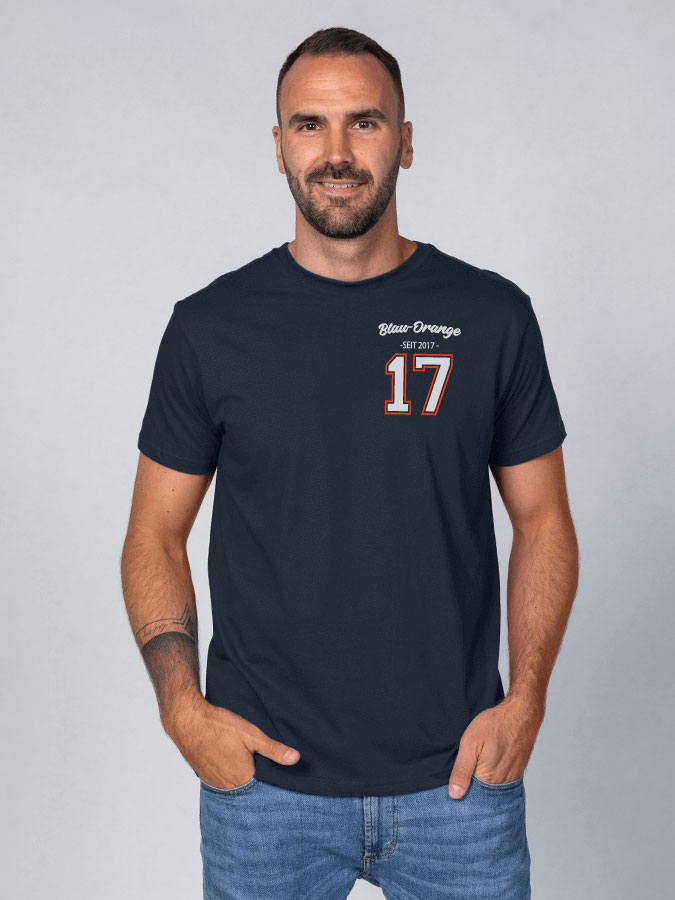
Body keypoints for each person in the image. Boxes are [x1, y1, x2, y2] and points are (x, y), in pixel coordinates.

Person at [121, 25, 579, 900]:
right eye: (309, 125)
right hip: (264, 794)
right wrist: (182, 711)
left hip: (459, 786)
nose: (336, 152)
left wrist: (525, 701)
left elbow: (542, 519)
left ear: (404, 140)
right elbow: (153, 535)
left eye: (363, 123)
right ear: (279, 146)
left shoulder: (491, 317)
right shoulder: (209, 328)